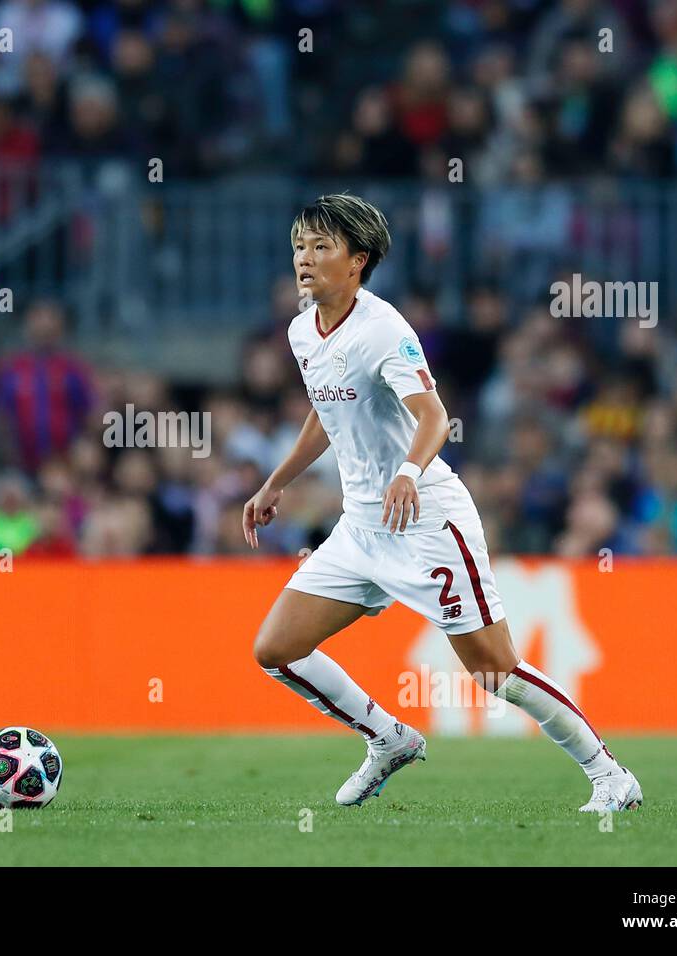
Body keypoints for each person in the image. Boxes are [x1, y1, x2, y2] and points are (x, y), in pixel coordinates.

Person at [243, 193, 642, 812]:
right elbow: (328, 414)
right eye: (299, 245)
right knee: (276, 649)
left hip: (425, 519)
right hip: (361, 530)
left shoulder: (383, 330)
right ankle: (388, 737)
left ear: (358, 260)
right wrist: (277, 483)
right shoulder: (303, 329)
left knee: (495, 672)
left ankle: (610, 774)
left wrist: (406, 472)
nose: (304, 258)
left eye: (321, 246)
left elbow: (434, 417)